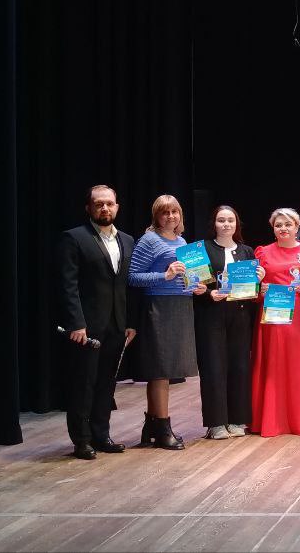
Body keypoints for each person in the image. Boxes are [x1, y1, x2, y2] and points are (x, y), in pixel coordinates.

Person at [56, 185, 137, 460]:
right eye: (99, 204)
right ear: (88, 208)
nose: (105, 208)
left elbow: (127, 286)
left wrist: (130, 322)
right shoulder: (74, 238)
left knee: (107, 383)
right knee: (84, 383)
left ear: (117, 207)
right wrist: (76, 323)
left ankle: (102, 435)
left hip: (117, 325)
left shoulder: (127, 240)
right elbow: (67, 285)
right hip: (87, 327)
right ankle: (82, 440)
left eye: (109, 204)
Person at [126, 194, 206, 450]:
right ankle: (162, 428)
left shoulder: (182, 240)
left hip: (181, 306)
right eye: (165, 212)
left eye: (175, 212)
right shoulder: (149, 240)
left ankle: (152, 426)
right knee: (160, 370)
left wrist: (197, 286)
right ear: (156, 216)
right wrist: (165, 275)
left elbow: (189, 277)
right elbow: (132, 276)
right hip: (159, 307)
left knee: (166, 370)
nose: (171, 216)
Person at [250, 208, 300, 437]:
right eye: (278, 225)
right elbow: (251, 288)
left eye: (288, 224)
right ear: (273, 228)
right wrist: (259, 288)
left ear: (297, 227)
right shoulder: (263, 252)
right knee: (275, 365)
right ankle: (273, 420)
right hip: (273, 318)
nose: (283, 228)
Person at [193, 206, 261, 440]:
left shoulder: (246, 251)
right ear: (214, 223)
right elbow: (195, 283)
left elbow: (252, 290)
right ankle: (216, 423)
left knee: (240, 366)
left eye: (230, 220)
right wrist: (208, 293)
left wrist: (258, 279)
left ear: (236, 224)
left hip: (240, 315)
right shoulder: (202, 249)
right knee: (213, 367)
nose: (226, 224)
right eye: (221, 220)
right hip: (211, 314)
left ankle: (237, 419)